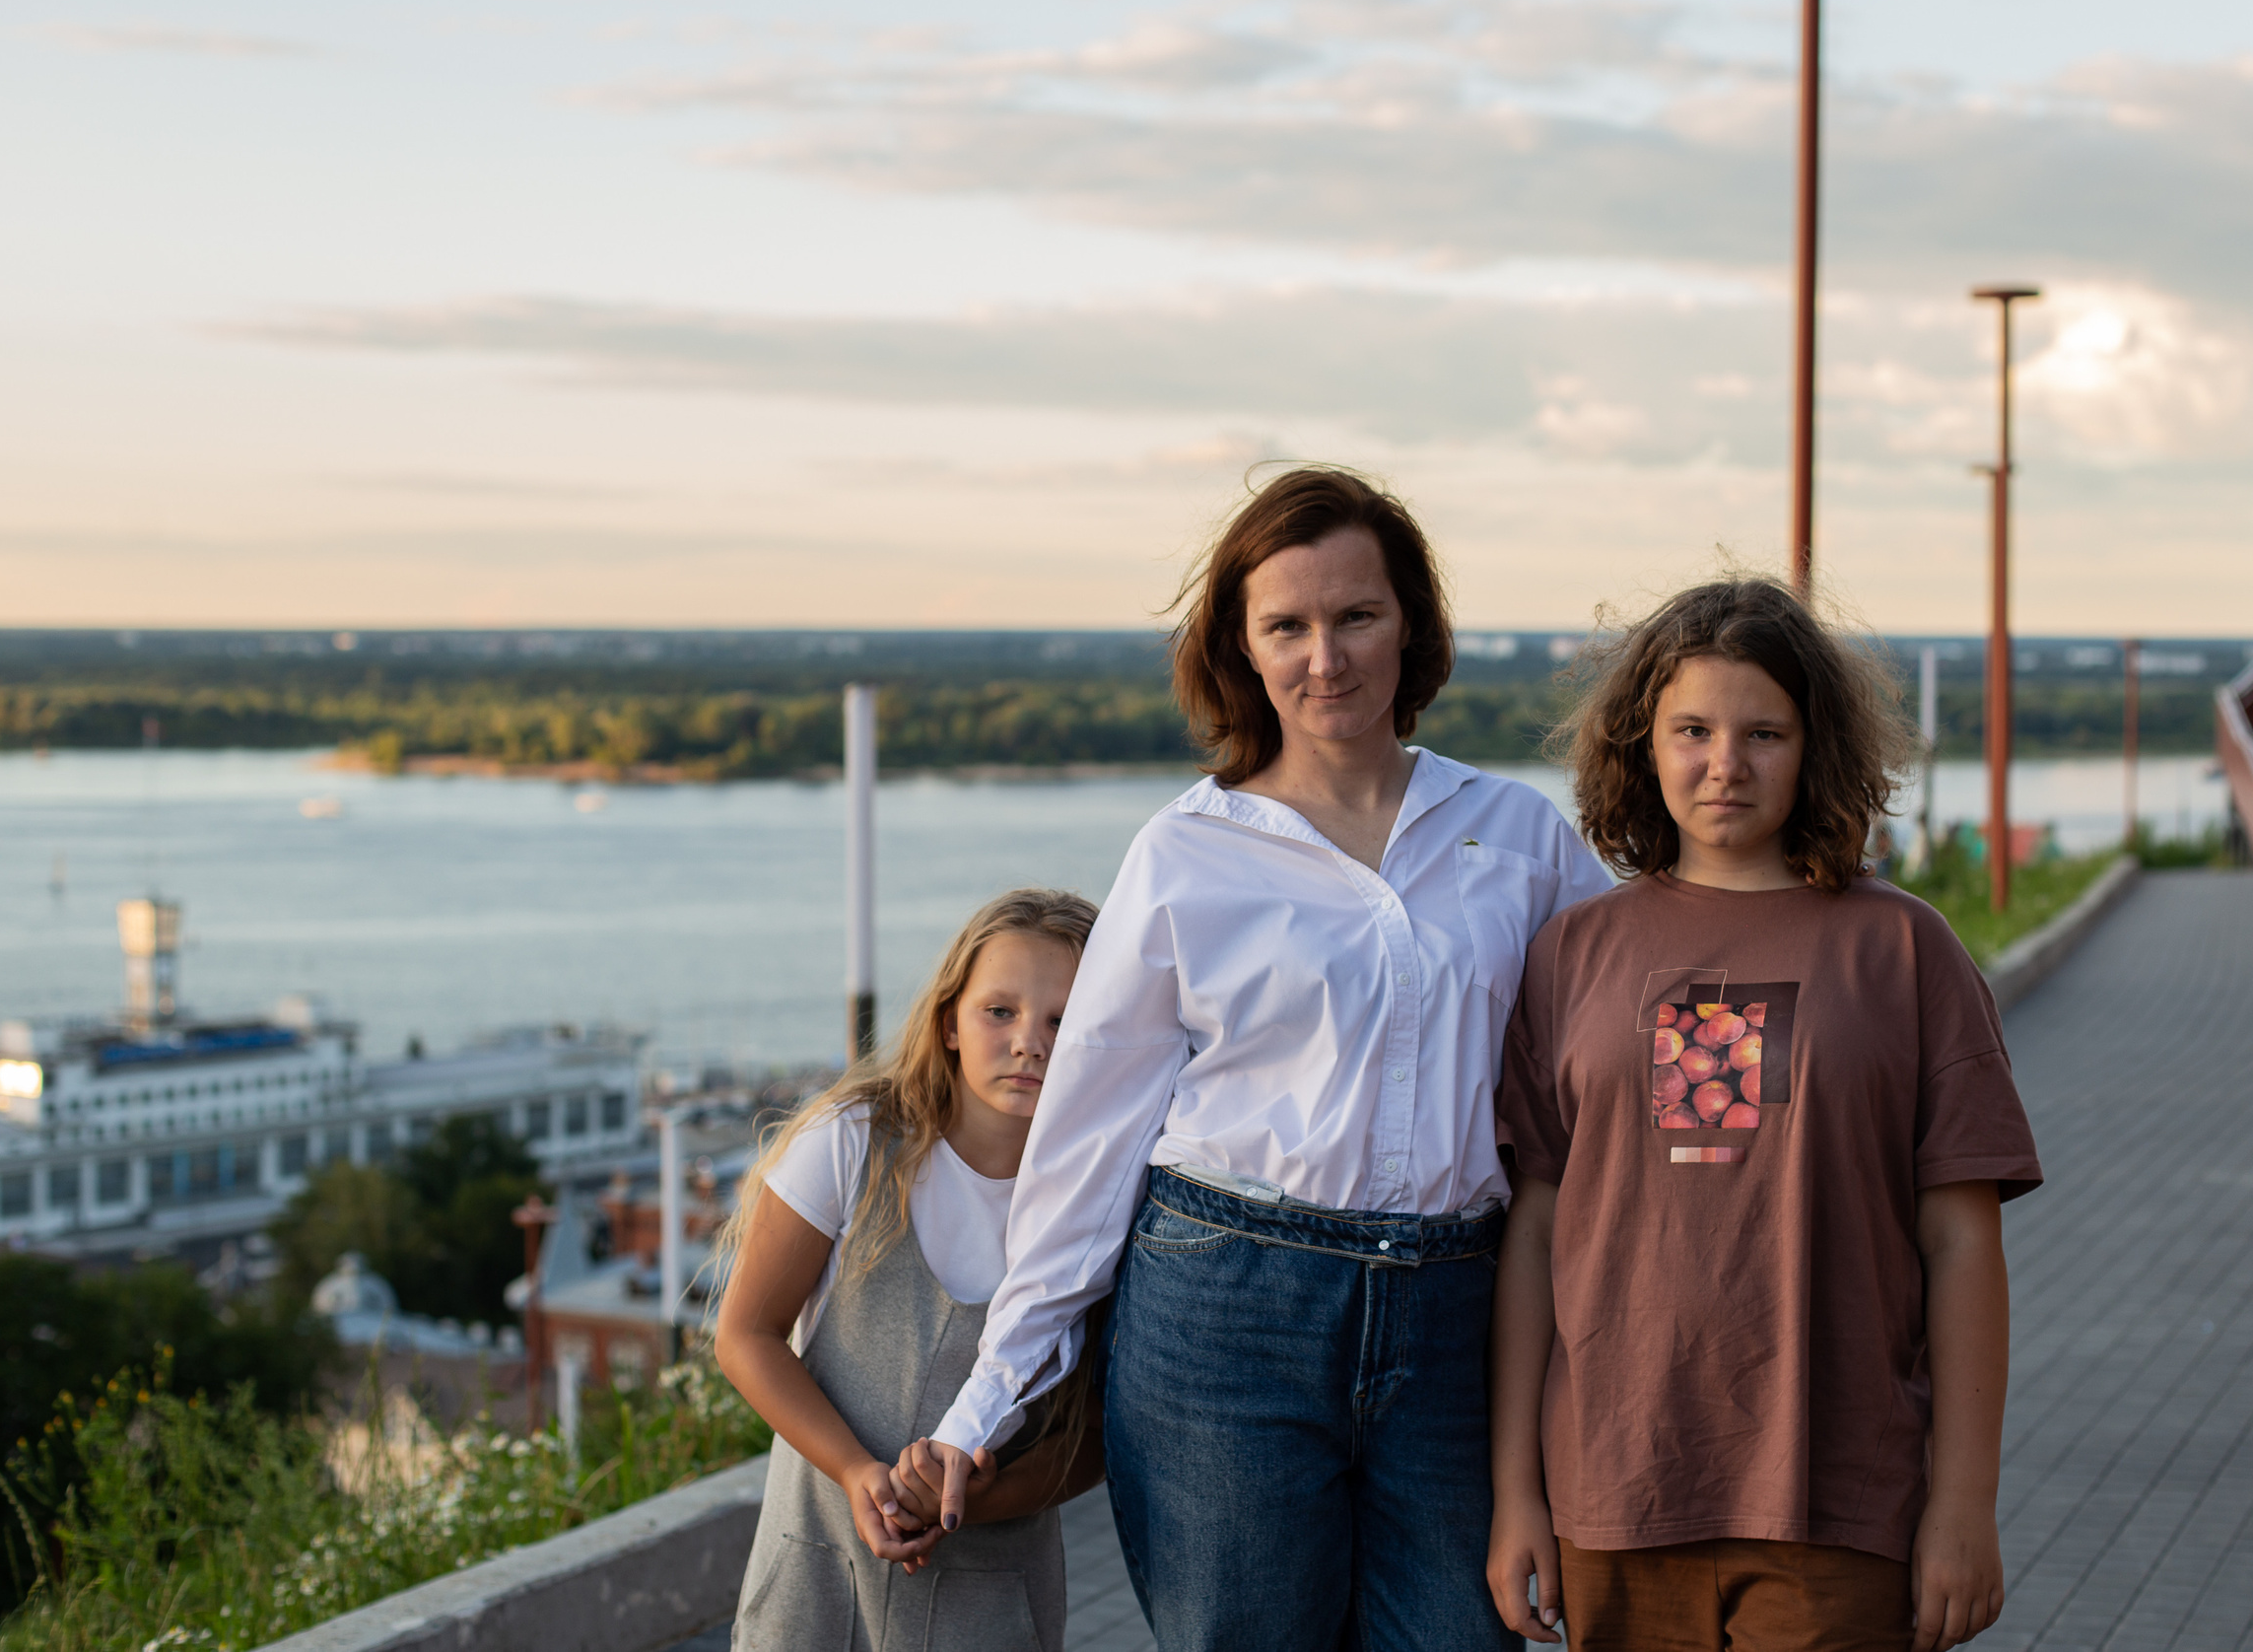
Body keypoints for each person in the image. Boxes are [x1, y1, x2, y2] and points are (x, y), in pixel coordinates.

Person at [905, 467, 1610, 1650]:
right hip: (1227, 1316)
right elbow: (1088, 1146)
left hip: (1457, 1321)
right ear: (1241, 647)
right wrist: (988, 1402)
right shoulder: (1185, 854)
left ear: (1412, 627)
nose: (1323, 658)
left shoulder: (1521, 835)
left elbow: (1623, 1047)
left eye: (1356, 617)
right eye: (1286, 625)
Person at [1486, 577, 2043, 1652]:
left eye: (1763, 732)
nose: (1724, 764)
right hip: (1616, 1490)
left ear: (1815, 746)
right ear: (1641, 743)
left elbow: (1962, 1241)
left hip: (1837, 1497)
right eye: (1690, 729)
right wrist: (1516, 1490)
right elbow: (1536, 1234)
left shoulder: (1904, 951)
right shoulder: (1570, 953)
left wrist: (1964, 1507)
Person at [715, 887, 1107, 1652]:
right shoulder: (853, 1140)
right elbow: (745, 1334)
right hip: (815, 1583)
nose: (1032, 1040)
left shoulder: (1106, 1206)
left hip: (994, 1607)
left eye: (1065, 1019)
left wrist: (974, 1501)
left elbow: (1092, 1435)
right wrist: (858, 1471)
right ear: (950, 1019)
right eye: (1001, 1010)